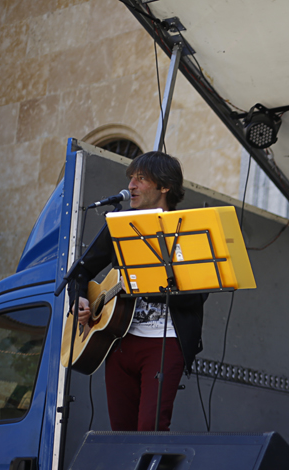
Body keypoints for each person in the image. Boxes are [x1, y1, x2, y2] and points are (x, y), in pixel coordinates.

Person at [76, 151, 206, 431]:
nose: (130, 186)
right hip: (118, 341)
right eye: (130, 179)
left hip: (166, 341)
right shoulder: (119, 224)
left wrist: (145, 286)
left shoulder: (187, 229)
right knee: (120, 430)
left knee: (152, 427)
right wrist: (80, 300)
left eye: (141, 179)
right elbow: (81, 271)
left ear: (164, 186)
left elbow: (197, 296)